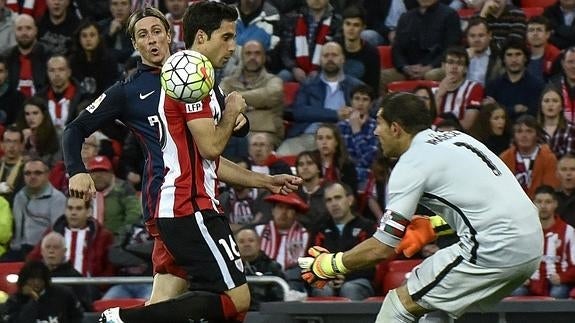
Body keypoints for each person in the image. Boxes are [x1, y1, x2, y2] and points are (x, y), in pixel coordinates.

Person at [98, 2, 302, 322]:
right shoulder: (191, 77)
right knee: (236, 299)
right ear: (203, 36)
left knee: (192, 302)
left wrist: (266, 181)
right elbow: (210, 148)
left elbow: (209, 162)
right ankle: (123, 319)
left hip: (189, 204)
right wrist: (233, 108)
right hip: (188, 206)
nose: (233, 46)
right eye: (227, 37)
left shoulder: (191, 74)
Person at [298, 92, 543, 322]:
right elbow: (487, 205)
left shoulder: (410, 164)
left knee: (398, 305)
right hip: (530, 243)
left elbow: (381, 248)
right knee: (434, 305)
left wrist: (330, 265)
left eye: (380, 124)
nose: (375, 132)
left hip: (494, 247)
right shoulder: (459, 138)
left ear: (396, 128)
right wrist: (434, 226)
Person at [63, 7, 235, 305]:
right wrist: (77, 169)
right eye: (142, 35)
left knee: (168, 299)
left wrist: (237, 120)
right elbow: (74, 129)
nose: (152, 39)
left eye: (157, 31)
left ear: (170, 34)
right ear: (134, 44)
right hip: (168, 201)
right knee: (232, 296)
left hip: (198, 195)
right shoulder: (127, 91)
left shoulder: (193, 71)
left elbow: (230, 129)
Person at [310, 181, 375, 301]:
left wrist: (346, 275)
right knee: (322, 289)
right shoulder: (319, 229)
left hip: (358, 280)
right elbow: (309, 262)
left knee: (349, 288)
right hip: (326, 280)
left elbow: (371, 263)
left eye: (338, 198)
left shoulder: (367, 227)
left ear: (349, 200)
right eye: (329, 200)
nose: (334, 204)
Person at [510, 185, 575, 299]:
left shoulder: (568, 231)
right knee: (517, 291)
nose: (543, 206)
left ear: (555, 204)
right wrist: (518, 277)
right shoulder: (524, 232)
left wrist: (562, 277)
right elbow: (512, 260)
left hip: (557, 283)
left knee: (557, 293)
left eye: (548, 202)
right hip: (530, 283)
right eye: (539, 202)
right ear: (533, 204)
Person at [500, 115, 560, 199]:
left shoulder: (548, 158)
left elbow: (550, 189)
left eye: (529, 131)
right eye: (519, 131)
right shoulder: (505, 158)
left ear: (537, 135)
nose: (524, 135)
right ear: (514, 135)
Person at [3, 261, 83, 323]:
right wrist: (33, 299)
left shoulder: (64, 294)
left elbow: (77, 317)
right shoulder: (15, 300)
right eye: (32, 279)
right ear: (24, 280)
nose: (36, 283)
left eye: (40, 279)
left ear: (45, 280)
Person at [537, 85, 575, 159]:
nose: (550, 105)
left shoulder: (571, 130)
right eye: (546, 101)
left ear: (561, 106)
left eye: (555, 101)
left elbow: (569, 161)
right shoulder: (534, 130)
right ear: (541, 106)